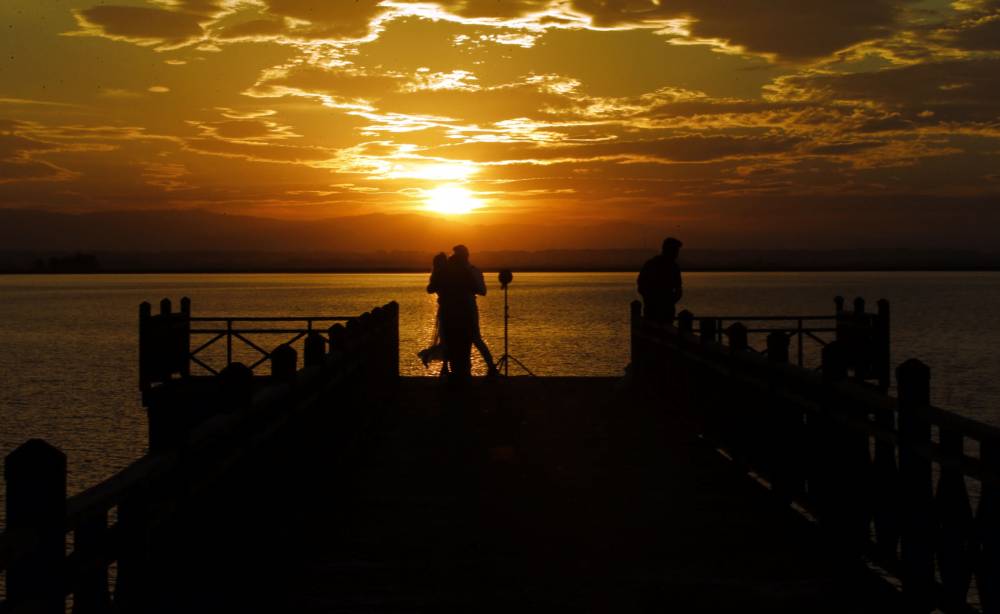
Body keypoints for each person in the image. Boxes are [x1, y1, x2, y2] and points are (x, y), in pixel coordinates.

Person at [428, 250, 478, 380]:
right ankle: (462, 373)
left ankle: (454, 371)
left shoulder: (442, 274)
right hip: (463, 313)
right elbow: (476, 288)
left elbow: (430, 288)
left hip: (448, 312)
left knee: (449, 341)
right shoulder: (463, 272)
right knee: (461, 344)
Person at [451, 244, 499, 377]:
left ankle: (491, 368)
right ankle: (460, 371)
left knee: (475, 339)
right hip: (455, 310)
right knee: (457, 340)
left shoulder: (473, 271)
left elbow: (482, 291)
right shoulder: (452, 271)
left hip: (468, 308)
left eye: (457, 255)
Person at [637, 237, 683, 323]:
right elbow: (641, 285)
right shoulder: (653, 264)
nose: (677, 254)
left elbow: (678, 289)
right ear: (667, 249)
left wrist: (670, 302)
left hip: (665, 309)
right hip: (653, 309)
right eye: (675, 250)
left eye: (677, 251)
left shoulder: (674, 267)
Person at [418, 252, 449, 374]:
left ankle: (444, 366)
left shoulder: (437, 275)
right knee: (445, 339)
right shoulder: (443, 275)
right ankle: (444, 366)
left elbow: (430, 289)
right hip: (447, 309)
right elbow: (430, 289)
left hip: (445, 308)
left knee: (444, 338)